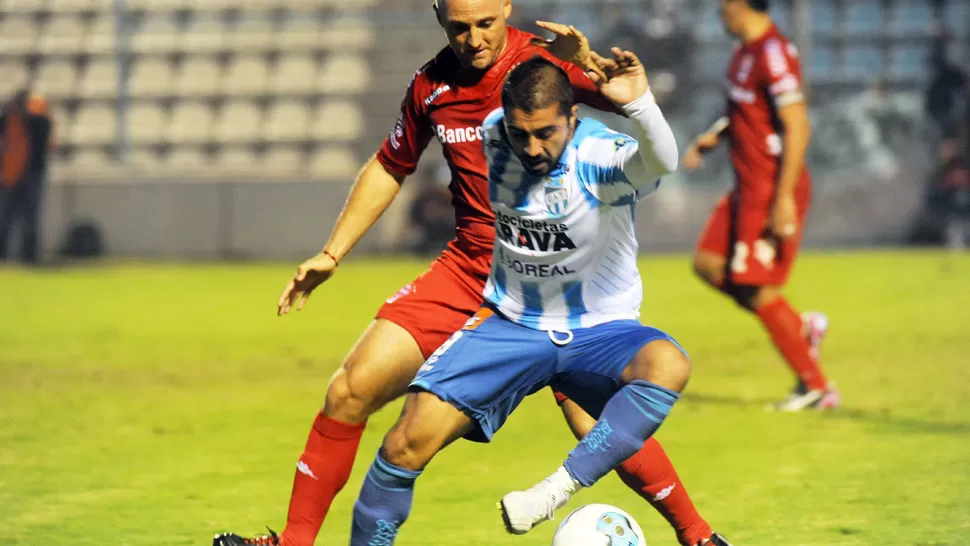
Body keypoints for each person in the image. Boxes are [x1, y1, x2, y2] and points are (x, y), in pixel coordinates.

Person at [213, 3, 722, 546]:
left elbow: (633, 118)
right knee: (350, 391)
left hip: (561, 278)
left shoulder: (546, 67)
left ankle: (697, 535)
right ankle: (294, 541)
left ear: (506, 5)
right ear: (438, 15)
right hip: (467, 269)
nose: (474, 39)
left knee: (600, 419)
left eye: (485, 23)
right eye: (459, 27)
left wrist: (596, 65)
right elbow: (392, 163)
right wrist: (333, 252)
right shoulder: (431, 85)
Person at [348, 51, 729, 545]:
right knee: (403, 446)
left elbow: (663, 161)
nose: (531, 147)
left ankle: (561, 493)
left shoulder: (599, 155)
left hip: (599, 328)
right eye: (520, 132)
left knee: (668, 366)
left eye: (545, 132)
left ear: (573, 118)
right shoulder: (492, 135)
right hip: (511, 321)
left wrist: (640, 105)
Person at [682, 0, 838, 412]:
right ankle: (799, 328)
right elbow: (747, 111)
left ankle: (816, 386)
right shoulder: (743, 54)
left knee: (758, 287)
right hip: (745, 187)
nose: (719, 11)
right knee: (708, 263)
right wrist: (714, 135)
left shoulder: (773, 52)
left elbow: (798, 124)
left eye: (724, 4)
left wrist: (783, 197)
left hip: (770, 188)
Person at [0, 89, 54, 265]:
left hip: (32, 174)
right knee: (6, 216)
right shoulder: (8, 121)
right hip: (10, 174)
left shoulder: (39, 122)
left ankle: (29, 255)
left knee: (30, 217)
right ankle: (3, 253)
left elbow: (42, 137)